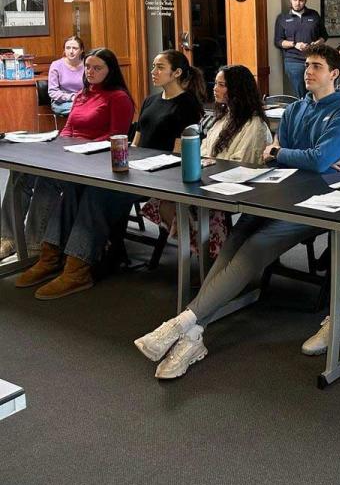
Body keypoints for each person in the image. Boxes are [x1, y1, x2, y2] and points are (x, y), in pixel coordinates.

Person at [135, 45, 340, 380]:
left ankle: (181, 323)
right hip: (279, 191)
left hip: (317, 203)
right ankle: (194, 332)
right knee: (235, 239)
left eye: (316, 66)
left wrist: (289, 153)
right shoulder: (297, 109)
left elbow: (315, 159)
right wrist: (294, 154)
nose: (308, 71)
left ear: (334, 74)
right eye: (307, 65)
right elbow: (280, 154)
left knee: (256, 247)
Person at [20, 50, 204, 300]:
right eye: (153, 66)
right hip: (135, 169)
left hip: (159, 175)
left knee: (97, 194)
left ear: (177, 73)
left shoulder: (187, 104)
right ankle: (50, 256)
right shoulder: (151, 101)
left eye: (160, 67)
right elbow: (135, 142)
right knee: (75, 187)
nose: (153, 71)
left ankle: (78, 267)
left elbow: (179, 154)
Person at [3, 48, 134, 266]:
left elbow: (115, 136)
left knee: (47, 181)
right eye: (88, 67)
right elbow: (68, 128)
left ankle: (35, 245)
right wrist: (58, 148)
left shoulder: (118, 98)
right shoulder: (83, 94)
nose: (90, 72)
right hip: (69, 155)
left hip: (93, 160)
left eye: (97, 68)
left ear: (110, 71)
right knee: (20, 174)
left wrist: (79, 147)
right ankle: (8, 237)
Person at [141, 65, 272, 258]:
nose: (215, 88)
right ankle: (200, 248)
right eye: (216, 83)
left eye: (221, 85)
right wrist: (204, 163)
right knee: (162, 199)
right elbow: (204, 151)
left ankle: (208, 255)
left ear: (236, 90)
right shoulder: (224, 117)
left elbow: (243, 164)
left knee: (205, 207)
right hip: (210, 177)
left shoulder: (254, 125)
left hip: (233, 185)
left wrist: (208, 164)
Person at [273, 0, 327, 98]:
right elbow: (278, 41)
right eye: (295, 0)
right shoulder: (282, 18)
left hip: (314, 59)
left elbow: (324, 36)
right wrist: (295, 44)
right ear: (290, 0)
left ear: (305, 0)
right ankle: (303, 114)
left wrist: (317, 43)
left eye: (301, 0)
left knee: (316, 92)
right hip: (294, 61)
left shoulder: (314, 15)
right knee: (302, 94)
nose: (298, 3)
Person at [47, 35, 85, 115]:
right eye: (68, 48)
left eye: (75, 48)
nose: (71, 51)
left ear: (81, 50)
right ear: (64, 49)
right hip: (62, 102)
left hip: (84, 100)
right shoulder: (56, 65)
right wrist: (72, 97)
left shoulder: (87, 65)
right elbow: (53, 91)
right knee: (83, 109)